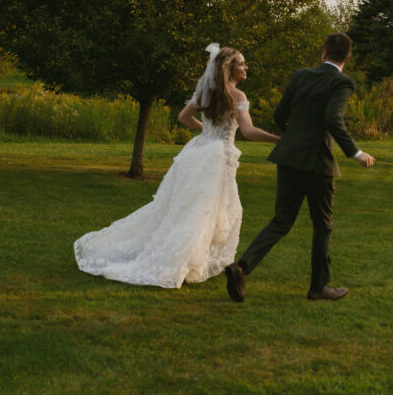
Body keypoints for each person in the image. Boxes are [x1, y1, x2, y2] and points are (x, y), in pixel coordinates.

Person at [74, 43, 279, 288]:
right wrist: (280, 139)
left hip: (199, 152)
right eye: (242, 64)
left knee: (187, 208)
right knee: (206, 211)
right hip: (217, 157)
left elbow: (183, 117)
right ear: (230, 68)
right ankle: (183, 262)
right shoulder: (238, 96)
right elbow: (248, 131)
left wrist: (208, 133)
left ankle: (187, 259)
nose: (246, 67)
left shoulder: (206, 90)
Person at [224, 32, 375, 303]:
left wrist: (294, 136)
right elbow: (332, 118)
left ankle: (242, 267)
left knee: (281, 220)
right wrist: (356, 152)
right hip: (318, 162)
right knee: (323, 225)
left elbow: (279, 116)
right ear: (348, 58)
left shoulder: (300, 75)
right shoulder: (342, 82)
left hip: (289, 156)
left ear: (324, 53)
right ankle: (319, 287)